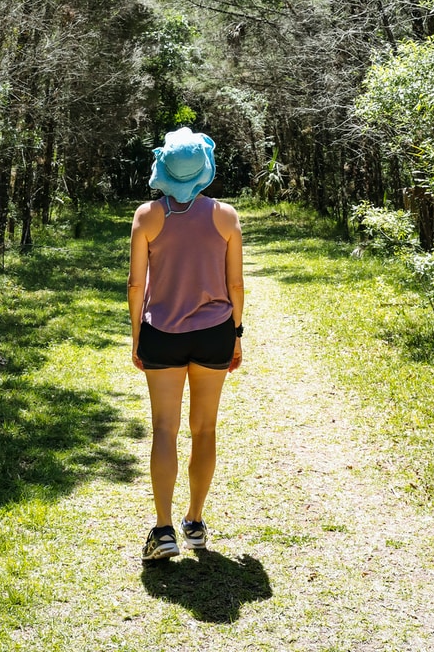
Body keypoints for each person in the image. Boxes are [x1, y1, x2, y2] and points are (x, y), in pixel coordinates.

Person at [128, 126, 244, 560]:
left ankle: (162, 531)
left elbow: (137, 282)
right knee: (205, 429)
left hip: (161, 333)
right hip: (215, 331)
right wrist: (236, 335)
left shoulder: (147, 217)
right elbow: (236, 283)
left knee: (164, 429)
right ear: (203, 170)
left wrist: (138, 336)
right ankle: (194, 522)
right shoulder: (226, 217)